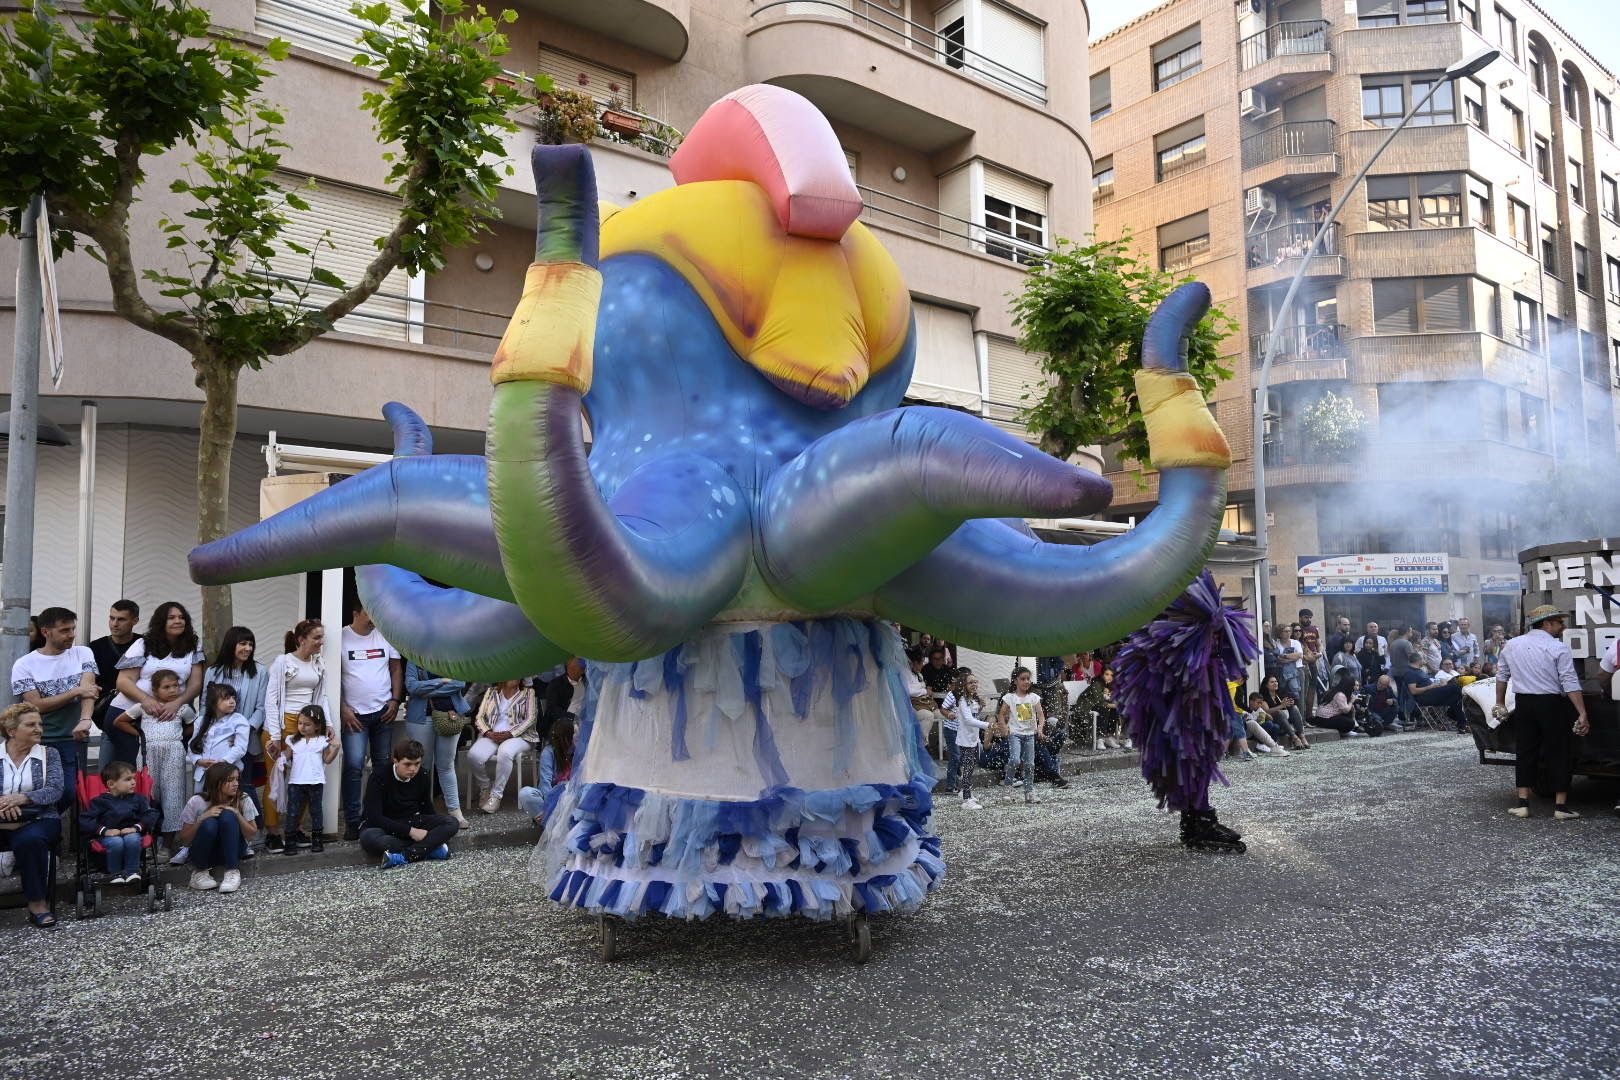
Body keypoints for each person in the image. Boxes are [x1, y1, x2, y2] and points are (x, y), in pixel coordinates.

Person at [1495, 605, 1588, 819]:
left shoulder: (1512, 645)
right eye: (1559, 622)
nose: (1562, 626)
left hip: (1524, 703)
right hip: (1551, 703)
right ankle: (1560, 807)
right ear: (1546, 624)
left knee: (1525, 751)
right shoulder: (1558, 647)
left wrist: (1499, 703)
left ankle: (1523, 804)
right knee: (1559, 751)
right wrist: (1582, 712)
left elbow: (1502, 676)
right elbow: (1569, 681)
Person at [9, 605, 97, 809]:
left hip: (71, 738)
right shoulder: (24, 664)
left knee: (69, 792)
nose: (71, 635)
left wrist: (85, 719)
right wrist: (74, 692)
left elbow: (89, 691)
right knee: (38, 789)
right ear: (46, 632)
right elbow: (36, 705)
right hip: (38, 739)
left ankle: (49, 822)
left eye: (73, 629)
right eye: (64, 630)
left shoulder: (83, 653)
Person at [109, 601, 206, 768]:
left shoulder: (194, 645)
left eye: (181, 617)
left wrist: (177, 703)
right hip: (129, 716)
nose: (178, 621)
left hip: (171, 715)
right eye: (171, 618)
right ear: (161, 621)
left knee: (169, 772)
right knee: (135, 770)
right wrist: (146, 700)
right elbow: (123, 681)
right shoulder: (143, 644)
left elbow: (196, 684)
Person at [263, 619, 333, 849]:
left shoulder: (318, 663)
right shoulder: (283, 662)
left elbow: (322, 697)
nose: (321, 642)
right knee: (276, 778)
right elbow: (271, 699)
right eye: (316, 638)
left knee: (303, 778)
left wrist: (328, 723)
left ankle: (295, 829)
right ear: (301, 640)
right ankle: (273, 832)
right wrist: (275, 735)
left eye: (322, 637)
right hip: (283, 723)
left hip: (308, 727)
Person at [112, 668, 195, 854]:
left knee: (173, 797)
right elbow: (119, 722)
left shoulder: (182, 708)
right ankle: (148, 841)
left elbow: (193, 726)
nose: (173, 690)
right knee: (148, 796)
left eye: (176, 686)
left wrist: (180, 736)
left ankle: (167, 846)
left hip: (174, 754)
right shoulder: (144, 707)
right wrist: (141, 735)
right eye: (167, 687)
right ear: (155, 690)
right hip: (148, 754)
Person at [339, 603, 404, 840]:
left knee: (382, 767)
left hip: (383, 712)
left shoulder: (385, 634)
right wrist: (342, 707)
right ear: (355, 613)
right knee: (354, 766)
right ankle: (352, 822)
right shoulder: (341, 637)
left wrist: (395, 700)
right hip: (354, 716)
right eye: (369, 613)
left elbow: (396, 669)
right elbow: (333, 675)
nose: (373, 619)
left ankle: (378, 817)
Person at [0, 704, 65, 929]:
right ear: (11, 731)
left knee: (30, 840)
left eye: (40, 724)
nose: (39, 729)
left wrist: (22, 798)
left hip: (39, 818)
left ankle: (38, 904)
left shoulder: (49, 754)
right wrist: (4, 804)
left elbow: (55, 790)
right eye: (31, 724)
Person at [202, 627, 269, 831]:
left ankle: (256, 829)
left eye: (251, 644)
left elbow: (262, 708)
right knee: (217, 785)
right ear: (231, 644)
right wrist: (208, 732)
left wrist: (242, 731)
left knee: (244, 785)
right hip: (217, 738)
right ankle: (223, 828)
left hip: (244, 739)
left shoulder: (260, 672)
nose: (248, 648)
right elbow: (205, 705)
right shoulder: (213, 672)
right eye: (243, 643)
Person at [360, 738, 457, 867]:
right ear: (395, 761)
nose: (413, 769)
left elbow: (426, 808)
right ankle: (429, 849)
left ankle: (405, 856)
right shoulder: (379, 776)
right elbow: (374, 816)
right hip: (384, 825)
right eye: (407, 764)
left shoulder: (422, 775)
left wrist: (434, 828)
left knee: (451, 823)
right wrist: (411, 831)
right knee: (372, 839)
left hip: (411, 821)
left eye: (417, 764)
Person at [404, 660, 470, 829]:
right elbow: (412, 687)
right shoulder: (414, 658)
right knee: (421, 766)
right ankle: (421, 811)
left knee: (446, 765)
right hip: (420, 718)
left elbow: (459, 683)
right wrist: (442, 681)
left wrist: (428, 691)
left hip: (449, 716)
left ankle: (455, 811)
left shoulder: (452, 655)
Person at [177, 762, 258, 892]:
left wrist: (237, 814)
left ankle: (232, 871)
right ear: (216, 782)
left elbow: (252, 835)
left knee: (228, 816)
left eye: (237, 779)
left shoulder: (243, 799)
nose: (236, 784)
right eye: (230, 780)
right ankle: (200, 872)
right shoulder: (197, 801)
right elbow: (185, 841)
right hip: (205, 853)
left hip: (234, 850)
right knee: (209, 823)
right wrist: (201, 819)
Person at [81, 760, 159, 884]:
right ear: (111, 784)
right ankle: (115, 874)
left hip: (133, 832)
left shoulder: (138, 799)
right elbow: (85, 819)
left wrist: (136, 827)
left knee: (132, 839)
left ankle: (132, 872)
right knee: (116, 842)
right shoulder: (100, 802)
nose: (133, 782)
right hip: (108, 836)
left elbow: (151, 814)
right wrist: (104, 831)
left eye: (134, 778)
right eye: (128, 779)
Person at [468, 678, 538, 814]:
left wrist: (511, 733)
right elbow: (479, 717)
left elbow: (531, 718)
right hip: (493, 735)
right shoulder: (491, 692)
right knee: (473, 755)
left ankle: (496, 795)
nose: (516, 677)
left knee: (505, 752)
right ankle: (485, 787)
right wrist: (488, 732)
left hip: (519, 736)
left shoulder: (528, 693)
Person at [281, 705, 339, 854]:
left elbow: (327, 760)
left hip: (315, 781)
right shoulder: (292, 740)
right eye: (300, 723)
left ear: (317, 726)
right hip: (296, 782)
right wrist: (274, 753)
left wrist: (336, 749)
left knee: (316, 811)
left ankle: (317, 840)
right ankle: (290, 841)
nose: (302, 727)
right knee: (293, 811)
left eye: (307, 724)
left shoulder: (322, 741)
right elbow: (285, 758)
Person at [88, 599, 140, 747]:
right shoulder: (96, 647)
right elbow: (90, 682)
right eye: (112, 618)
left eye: (121, 619)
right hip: (108, 716)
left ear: (135, 621)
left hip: (140, 714)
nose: (114, 623)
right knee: (109, 760)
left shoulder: (143, 644)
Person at [942, 671, 990, 810]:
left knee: (971, 766)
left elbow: (974, 715)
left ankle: (966, 792)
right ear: (963, 685)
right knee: (967, 767)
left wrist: (981, 706)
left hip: (972, 737)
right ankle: (966, 799)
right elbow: (968, 720)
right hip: (964, 738)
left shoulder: (972, 698)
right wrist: (988, 725)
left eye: (975, 682)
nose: (974, 684)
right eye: (970, 682)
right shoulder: (962, 700)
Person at [187, 683, 250, 788]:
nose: (232, 701)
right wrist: (198, 760)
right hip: (203, 774)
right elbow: (192, 745)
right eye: (226, 698)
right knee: (202, 798)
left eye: (234, 698)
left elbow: (240, 747)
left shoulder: (238, 719)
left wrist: (222, 762)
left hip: (227, 773)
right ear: (213, 702)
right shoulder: (201, 721)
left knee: (224, 797)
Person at [998, 666, 1045, 805]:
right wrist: (1004, 727)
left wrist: (1040, 729)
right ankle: (1008, 788)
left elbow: (1041, 716)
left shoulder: (1034, 697)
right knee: (1015, 760)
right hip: (1015, 734)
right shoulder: (1010, 698)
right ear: (1015, 681)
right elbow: (1001, 714)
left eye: (1028, 679)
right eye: (1023, 679)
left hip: (1030, 735)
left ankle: (1029, 792)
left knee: (1030, 764)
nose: (1026, 682)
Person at [922, 647, 958, 788]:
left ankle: (945, 747)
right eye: (935, 659)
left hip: (946, 701)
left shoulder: (946, 670)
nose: (938, 662)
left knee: (950, 718)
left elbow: (951, 686)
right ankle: (935, 747)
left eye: (940, 659)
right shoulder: (926, 670)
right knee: (939, 717)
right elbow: (928, 689)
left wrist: (950, 688)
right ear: (931, 659)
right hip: (932, 703)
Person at [1258, 674, 1310, 750]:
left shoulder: (1279, 694)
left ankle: (1302, 736)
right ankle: (1294, 738)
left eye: (1276, 681)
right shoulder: (1263, 697)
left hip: (1286, 724)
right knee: (1279, 712)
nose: (1275, 683)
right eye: (1272, 682)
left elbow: (1286, 707)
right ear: (1266, 685)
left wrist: (1289, 704)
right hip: (1275, 725)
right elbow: (1267, 711)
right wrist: (1281, 706)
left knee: (1294, 708)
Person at [542, 657, 586, 736]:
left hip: (583, 724)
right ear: (568, 665)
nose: (583, 663)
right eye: (579, 660)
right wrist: (572, 717)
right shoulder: (556, 684)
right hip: (562, 727)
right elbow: (552, 708)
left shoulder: (587, 683)